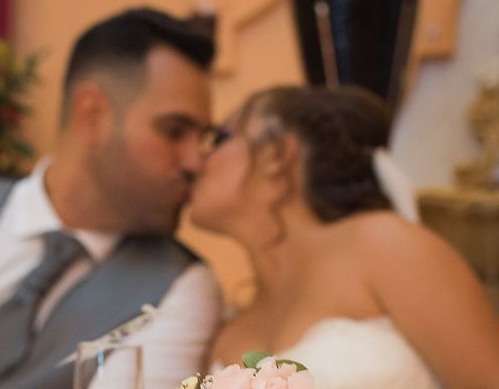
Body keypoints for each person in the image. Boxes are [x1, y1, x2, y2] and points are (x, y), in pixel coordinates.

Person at [0, 7, 222, 389]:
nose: (196, 161)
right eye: (174, 131)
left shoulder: (179, 288)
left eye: (203, 139)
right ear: (92, 114)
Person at [191, 85, 499, 388]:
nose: (195, 160)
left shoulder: (383, 245)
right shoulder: (228, 333)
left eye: (220, 138)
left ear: (276, 155)